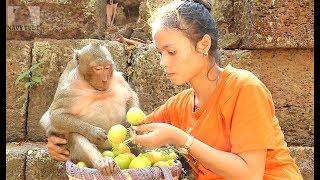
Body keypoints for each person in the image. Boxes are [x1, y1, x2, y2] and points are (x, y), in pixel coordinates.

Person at [47, 0, 303, 179]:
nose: (163, 62)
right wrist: (62, 140)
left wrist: (181, 139)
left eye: (171, 52)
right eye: (160, 53)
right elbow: (126, 135)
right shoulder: (179, 105)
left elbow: (250, 174)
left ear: (203, 44)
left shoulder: (244, 88)